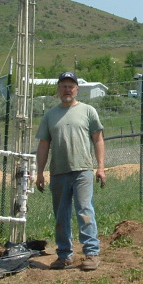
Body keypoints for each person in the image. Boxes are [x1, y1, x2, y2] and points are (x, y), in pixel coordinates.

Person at [35, 71, 106, 270]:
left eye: (71, 86)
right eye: (64, 86)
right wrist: (40, 172)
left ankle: (91, 253)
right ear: (58, 89)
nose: (67, 90)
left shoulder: (88, 111)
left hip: (82, 170)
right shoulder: (50, 115)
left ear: (77, 90)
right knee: (61, 215)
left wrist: (100, 167)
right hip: (58, 172)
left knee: (85, 211)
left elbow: (98, 139)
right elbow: (43, 145)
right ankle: (64, 255)